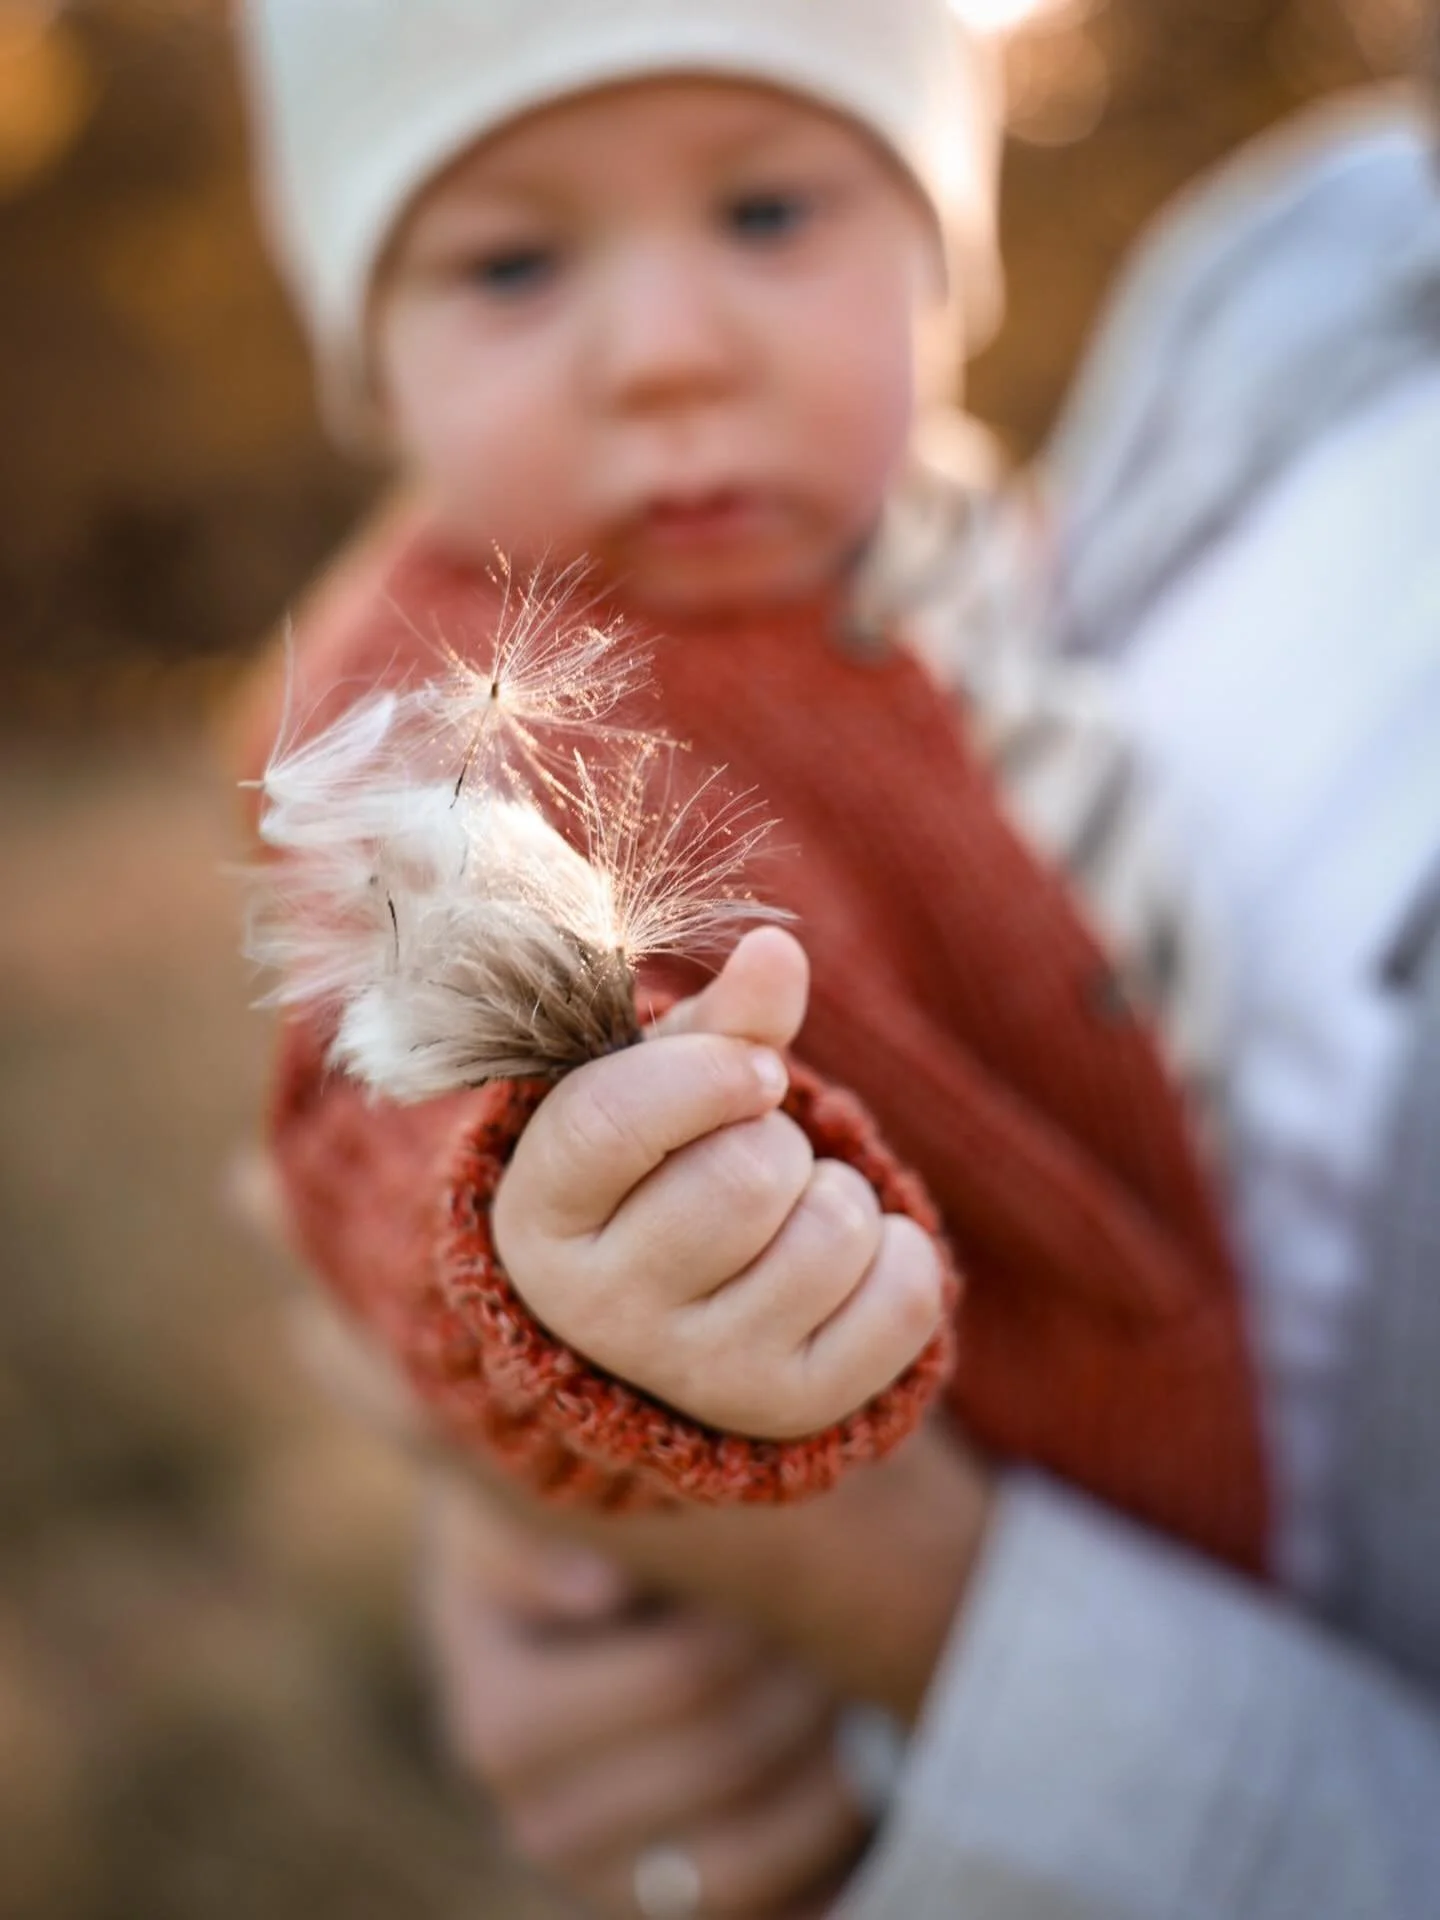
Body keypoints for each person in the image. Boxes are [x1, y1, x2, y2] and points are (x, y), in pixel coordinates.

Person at [227, 1, 1374, 1913]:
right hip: (929, 1775)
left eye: (769, 215)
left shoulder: (980, 544)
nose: (668, 350)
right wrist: (561, 1232)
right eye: (512, 261)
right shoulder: (445, 705)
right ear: (377, 360)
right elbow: (381, 1093)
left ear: (939, 249)